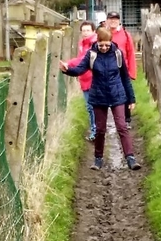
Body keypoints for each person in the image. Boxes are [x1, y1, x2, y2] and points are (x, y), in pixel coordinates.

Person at [59, 27, 141, 171]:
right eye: (101, 44)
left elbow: (125, 78)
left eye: (106, 45)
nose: (103, 47)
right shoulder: (91, 54)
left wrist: (131, 99)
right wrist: (67, 70)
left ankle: (130, 158)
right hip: (98, 96)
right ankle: (98, 159)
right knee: (100, 130)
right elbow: (80, 69)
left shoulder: (118, 54)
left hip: (117, 95)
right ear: (97, 42)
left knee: (122, 127)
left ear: (111, 42)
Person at [106, 11, 137, 129]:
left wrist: (131, 72)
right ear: (107, 20)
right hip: (107, 69)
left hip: (122, 69)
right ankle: (107, 120)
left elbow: (130, 53)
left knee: (124, 94)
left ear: (119, 20)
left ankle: (126, 120)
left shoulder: (125, 34)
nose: (113, 21)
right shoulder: (103, 33)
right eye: (111, 18)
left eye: (115, 19)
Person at [67, 20, 97, 141]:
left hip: (93, 79)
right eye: (83, 31)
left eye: (87, 30)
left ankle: (96, 132)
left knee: (93, 107)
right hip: (84, 79)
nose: (85, 33)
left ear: (93, 31)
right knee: (90, 107)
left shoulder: (94, 44)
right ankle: (96, 131)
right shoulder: (82, 43)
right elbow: (81, 59)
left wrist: (68, 64)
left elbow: (83, 60)